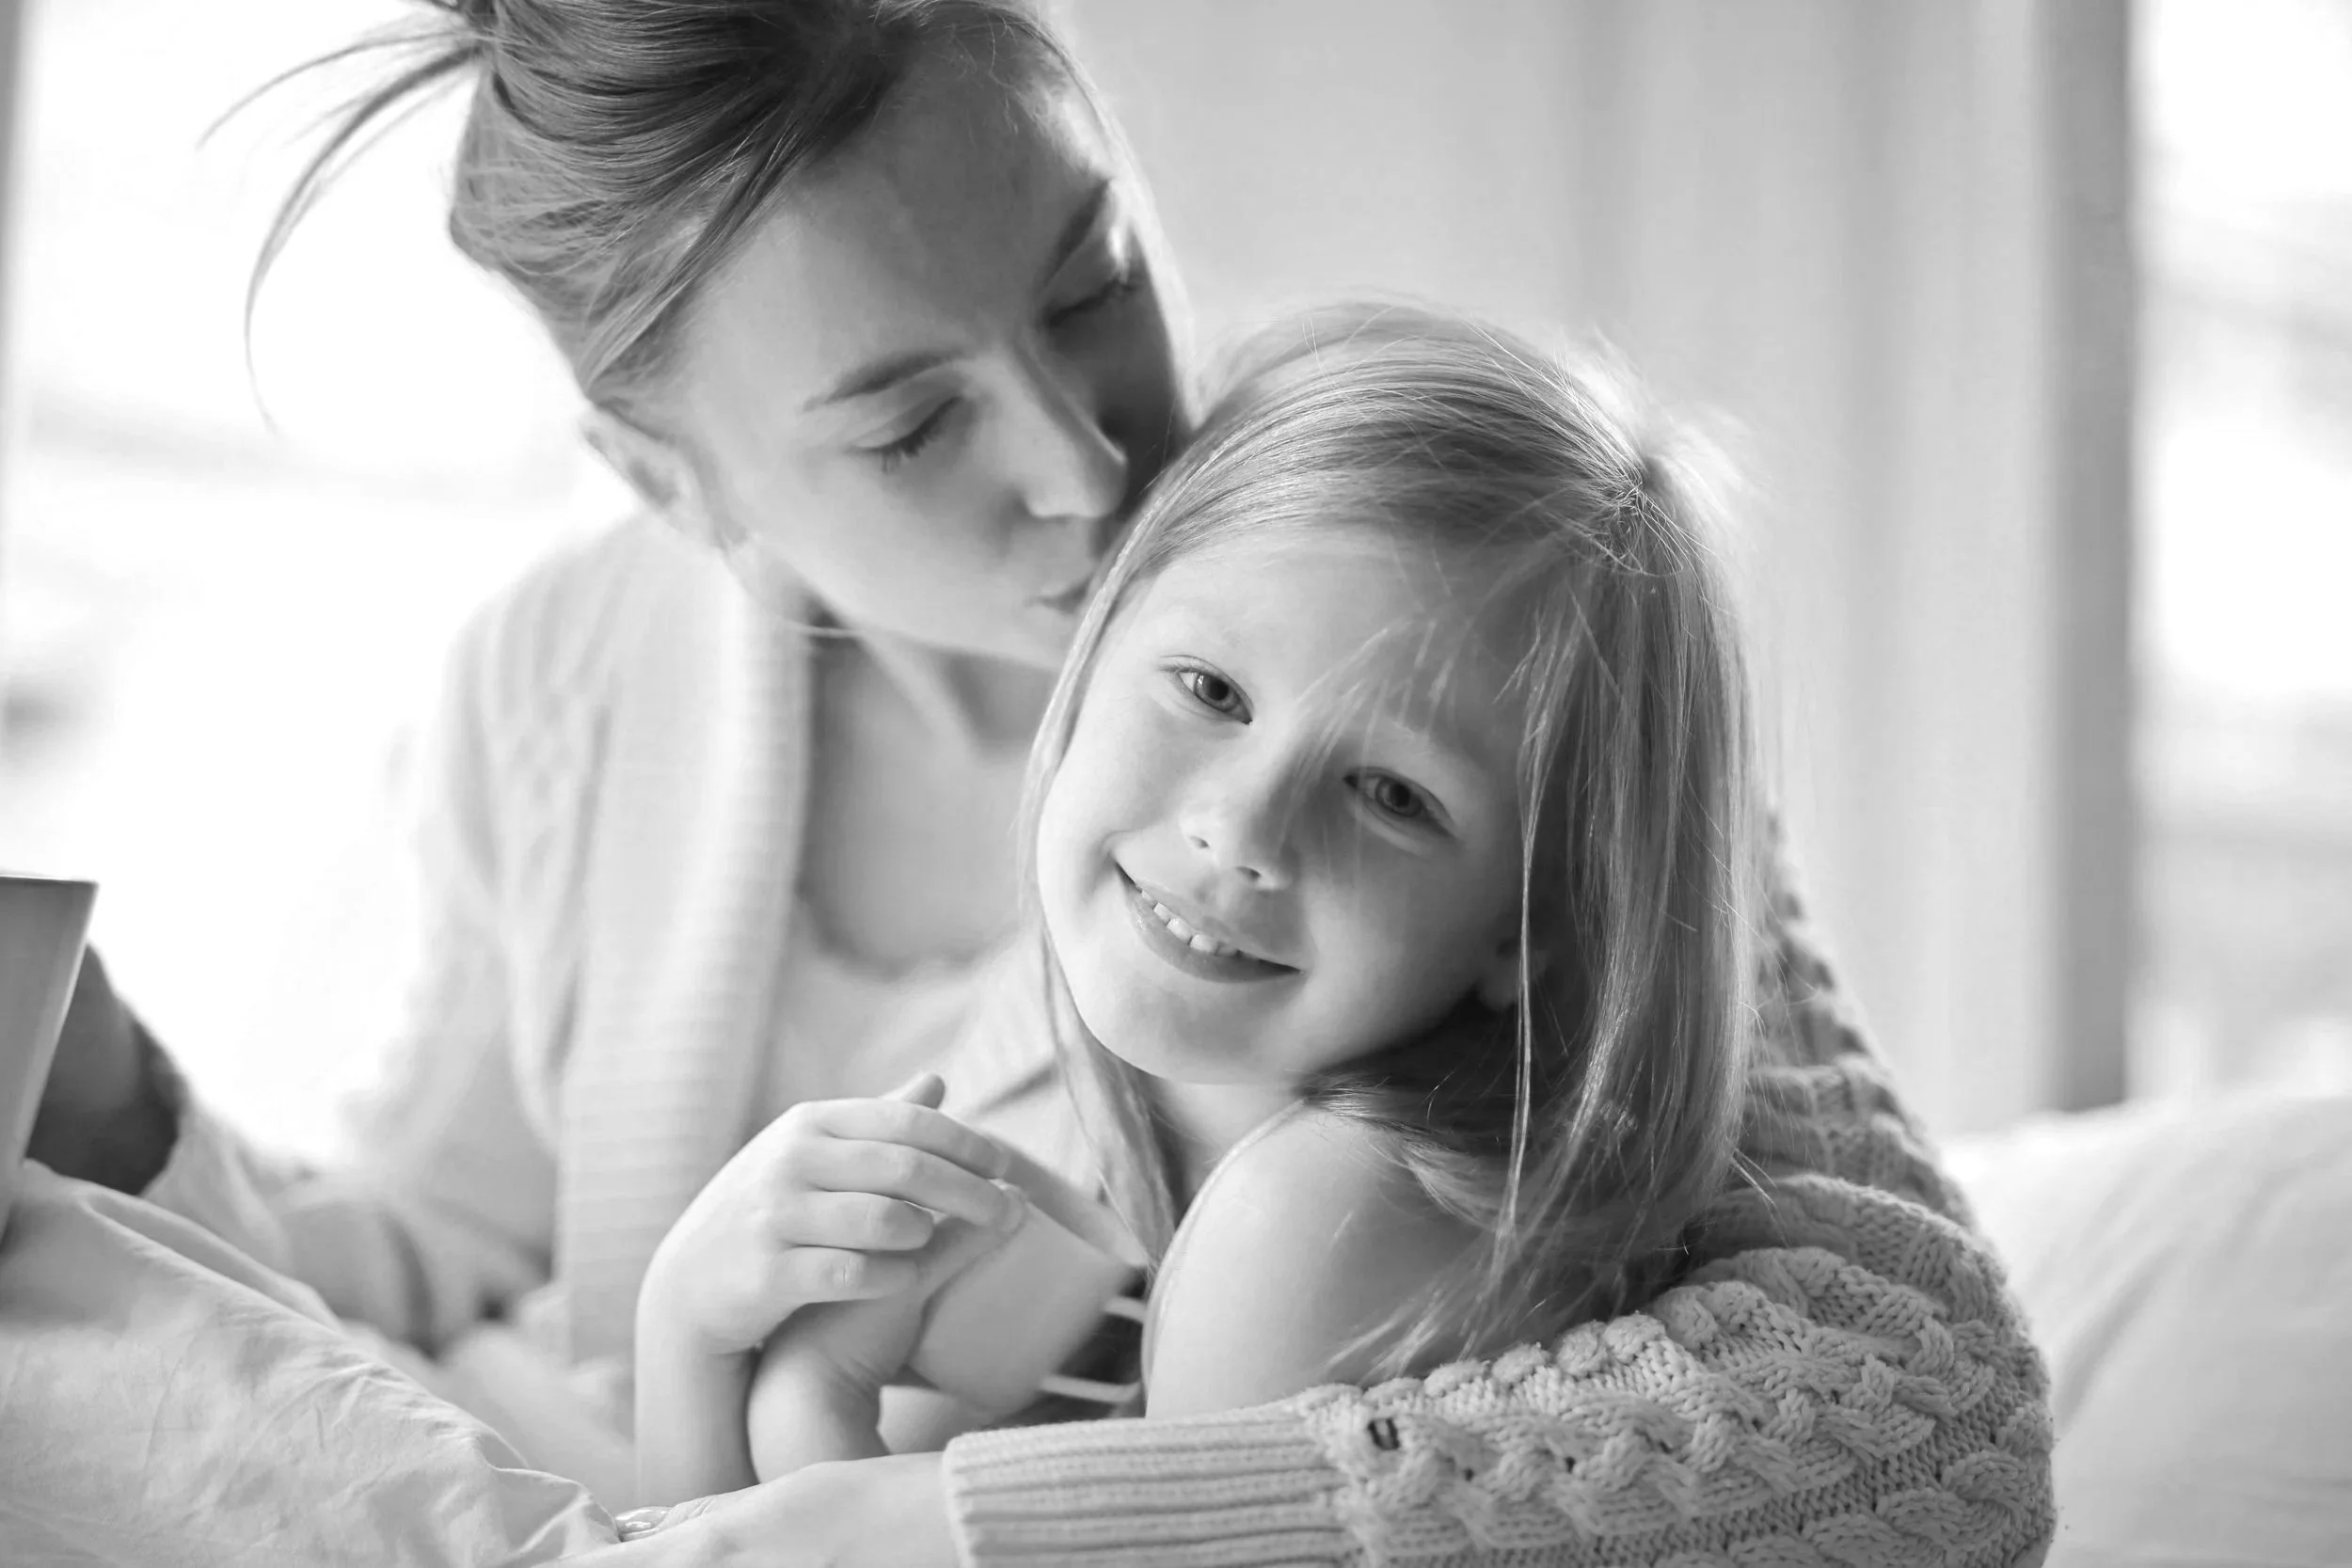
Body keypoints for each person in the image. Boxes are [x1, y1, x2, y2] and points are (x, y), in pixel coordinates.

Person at [26, 1, 2055, 1562]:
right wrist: (111, 1100)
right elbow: (445, 1248)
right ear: (677, 484)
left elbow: (1920, 1402)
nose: (1088, 463)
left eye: (1089, 280)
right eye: (909, 427)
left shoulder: (1430, 597)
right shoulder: (563, 669)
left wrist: (955, 1533)